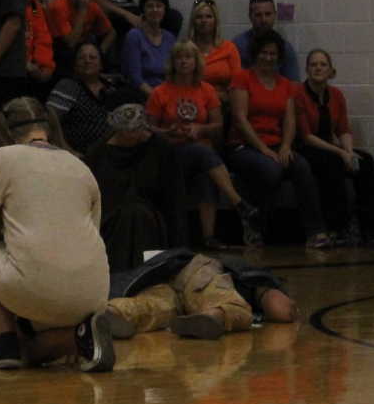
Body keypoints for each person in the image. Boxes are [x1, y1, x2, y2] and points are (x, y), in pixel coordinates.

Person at [0, 96, 113, 371]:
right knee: (37, 347)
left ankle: (6, 344)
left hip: (35, 289)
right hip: (93, 294)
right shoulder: (80, 165)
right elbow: (93, 231)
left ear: (5, 130)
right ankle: (79, 335)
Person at [148, 41, 259, 249]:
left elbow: (218, 125)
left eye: (188, 57)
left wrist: (200, 129)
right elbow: (149, 129)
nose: (183, 62)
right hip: (172, 153)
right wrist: (168, 131)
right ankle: (239, 202)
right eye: (179, 57)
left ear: (196, 62)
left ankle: (209, 237)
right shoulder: (159, 92)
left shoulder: (206, 90)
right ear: (172, 62)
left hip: (201, 153)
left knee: (206, 173)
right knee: (203, 153)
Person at [228, 29, 328, 248]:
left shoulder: (286, 85)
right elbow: (240, 119)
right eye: (264, 52)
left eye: (273, 53)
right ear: (256, 53)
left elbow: (290, 120)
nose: (268, 57)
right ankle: (255, 227)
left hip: (275, 145)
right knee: (271, 170)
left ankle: (315, 232)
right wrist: (263, 149)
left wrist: (285, 146)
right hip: (244, 146)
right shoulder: (242, 78)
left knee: (301, 166)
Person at [95, 248, 297, 341]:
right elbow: (282, 309)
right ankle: (213, 317)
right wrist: (291, 309)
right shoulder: (254, 278)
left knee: (152, 306)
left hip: (165, 284)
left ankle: (116, 312)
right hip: (196, 271)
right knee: (230, 305)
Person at [88, 102, 186, 270]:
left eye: (141, 128)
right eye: (133, 131)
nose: (140, 133)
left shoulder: (161, 149)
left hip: (151, 214)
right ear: (119, 131)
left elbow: (173, 195)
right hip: (110, 216)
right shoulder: (99, 154)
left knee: (137, 215)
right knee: (129, 216)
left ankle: (149, 269)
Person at [296, 48, 374, 245]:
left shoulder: (336, 95)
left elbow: (343, 130)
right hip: (306, 147)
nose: (318, 68)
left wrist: (349, 152)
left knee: (366, 161)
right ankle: (337, 227)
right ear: (307, 69)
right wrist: (341, 153)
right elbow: (306, 136)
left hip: (330, 146)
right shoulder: (298, 94)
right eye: (313, 64)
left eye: (323, 64)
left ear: (331, 70)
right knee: (333, 163)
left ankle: (369, 227)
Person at [45, 40, 132, 154]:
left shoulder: (111, 88)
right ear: (75, 65)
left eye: (92, 57)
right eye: (81, 58)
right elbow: (50, 119)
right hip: (76, 154)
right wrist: (67, 150)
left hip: (111, 153)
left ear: (101, 64)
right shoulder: (68, 86)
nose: (87, 61)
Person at [231, 0, 301, 80]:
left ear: (275, 15)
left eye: (268, 14)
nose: (263, 20)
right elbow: (232, 80)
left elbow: (294, 84)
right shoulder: (238, 46)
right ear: (250, 17)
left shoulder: (285, 48)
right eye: (258, 15)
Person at [121, 0, 174, 97]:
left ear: (165, 10)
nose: (155, 10)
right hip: (141, 95)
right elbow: (135, 78)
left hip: (167, 93)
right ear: (143, 10)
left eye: (159, 6)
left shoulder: (170, 38)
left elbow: (174, 74)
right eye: (150, 6)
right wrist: (158, 98)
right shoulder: (134, 36)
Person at [186, 0, 241, 93]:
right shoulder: (185, 49)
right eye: (199, 17)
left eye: (209, 16)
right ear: (193, 21)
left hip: (225, 99)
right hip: (193, 99)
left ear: (216, 21)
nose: (204, 20)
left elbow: (238, 83)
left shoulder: (229, 48)